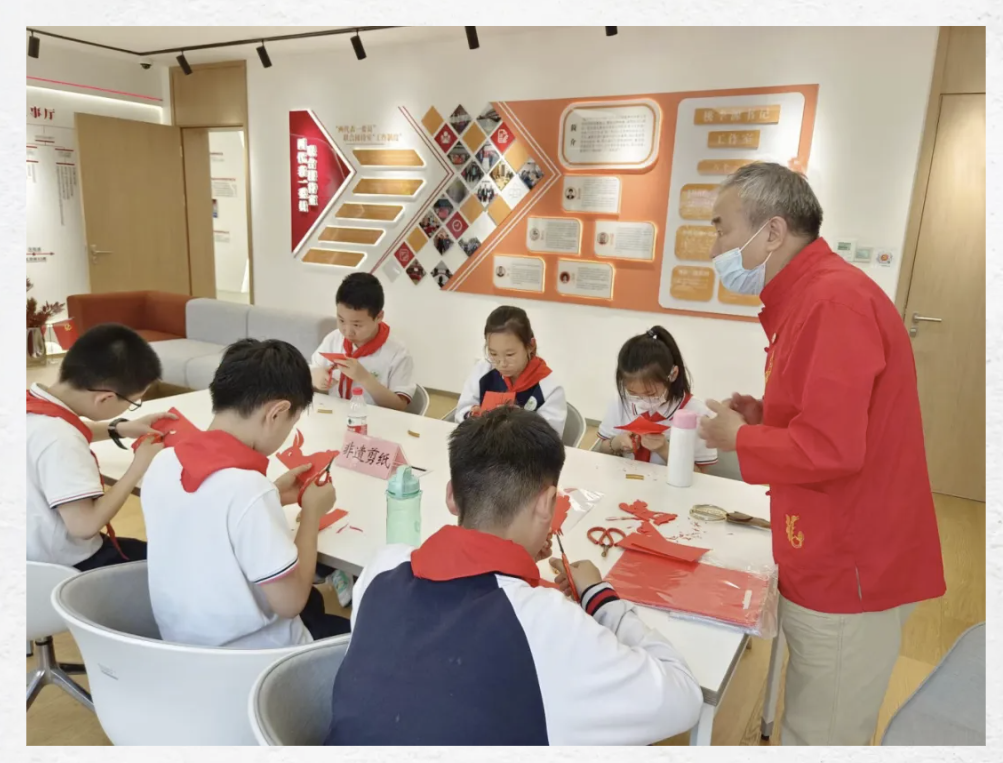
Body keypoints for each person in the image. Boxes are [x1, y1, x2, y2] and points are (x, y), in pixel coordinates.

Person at [697, 162, 945, 746]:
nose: (715, 248)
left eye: (722, 229)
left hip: (849, 561)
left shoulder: (832, 302)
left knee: (821, 732)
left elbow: (832, 449)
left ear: (773, 231)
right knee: (813, 708)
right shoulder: (814, 295)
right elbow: (830, 416)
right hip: (831, 544)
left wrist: (740, 438)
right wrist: (765, 416)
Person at [324, 407, 702, 745]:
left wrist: (517, 567)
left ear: (452, 495)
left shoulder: (381, 568)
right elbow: (683, 698)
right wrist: (598, 596)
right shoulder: (547, 622)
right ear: (547, 503)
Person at [142, 339, 350, 648]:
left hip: (182, 644)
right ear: (276, 412)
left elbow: (208, 513)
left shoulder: (163, 461)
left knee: (316, 606)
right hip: (253, 660)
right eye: (291, 423)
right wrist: (311, 513)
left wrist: (272, 494)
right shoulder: (249, 490)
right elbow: (291, 602)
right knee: (364, 636)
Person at [27, 323, 175, 570]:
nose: (130, 408)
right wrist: (138, 466)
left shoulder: (30, 405)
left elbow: (62, 428)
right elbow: (85, 526)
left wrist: (119, 428)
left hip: (26, 552)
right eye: (133, 402)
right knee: (174, 562)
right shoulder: (61, 441)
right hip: (62, 566)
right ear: (105, 397)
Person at [596, 326, 718, 468]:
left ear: (673, 375)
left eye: (650, 394)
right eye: (633, 393)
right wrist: (617, 442)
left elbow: (700, 474)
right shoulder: (620, 401)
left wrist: (664, 450)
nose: (642, 402)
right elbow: (602, 450)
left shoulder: (697, 414)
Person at [309, 272, 415, 411]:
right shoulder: (334, 339)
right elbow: (310, 371)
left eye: (357, 325)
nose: (347, 331)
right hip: (335, 415)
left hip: (376, 419)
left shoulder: (398, 353)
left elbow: (399, 406)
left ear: (379, 317)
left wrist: (364, 378)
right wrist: (316, 376)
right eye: (341, 320)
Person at [456, 306, 567, 437]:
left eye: (510, 354)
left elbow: (551, 438)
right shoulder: (483, 370)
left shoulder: (549, 388)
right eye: (493, 354)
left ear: (530, 346)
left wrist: (519, 422)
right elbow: (461, 414)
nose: (502, 363)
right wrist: (474, 415)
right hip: (482, 444)